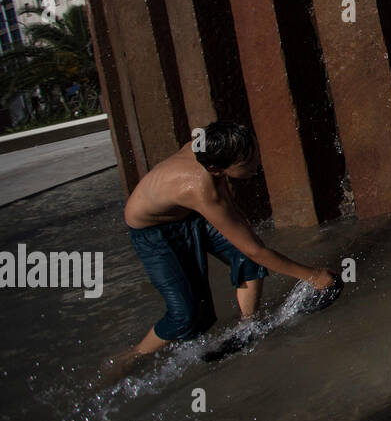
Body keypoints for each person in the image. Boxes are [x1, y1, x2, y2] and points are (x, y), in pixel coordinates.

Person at [113, 121, 342, 371]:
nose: (258, 164)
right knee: (187, 316)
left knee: (246, 258)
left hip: (184, 213)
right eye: (249, 163)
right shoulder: (200, 189)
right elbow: (255, 249)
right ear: (216, 169)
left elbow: (246, 245)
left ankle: (247, 326)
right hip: (153, 231)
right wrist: (314, 276)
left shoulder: (209, 144)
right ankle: (130, 359)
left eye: (255, 153)